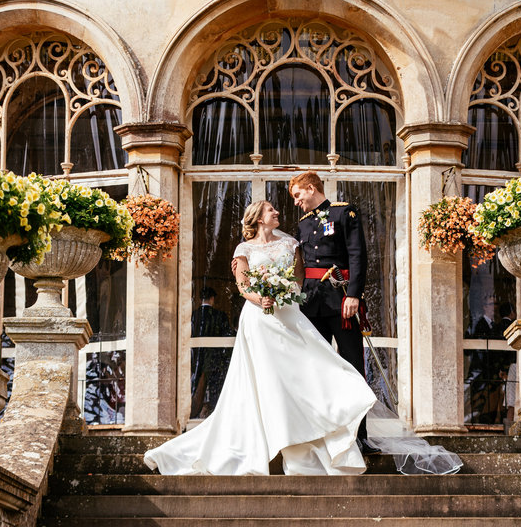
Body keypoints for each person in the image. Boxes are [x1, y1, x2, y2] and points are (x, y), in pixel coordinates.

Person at [144, 200, 377, 475]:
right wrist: (262, 298)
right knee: (267, 378)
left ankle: (323, 422)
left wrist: (285, 294)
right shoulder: (243, 249)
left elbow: (300, 278)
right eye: (271, 210)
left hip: (289, 313)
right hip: (258, 318)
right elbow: (243, 286)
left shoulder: (291, 243)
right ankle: (274, 434)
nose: (277, 212)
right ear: (258, 218)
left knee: (307, 369)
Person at [289, 171, 379, 456]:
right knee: (314, 369)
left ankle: (359, 436)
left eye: (298, 195)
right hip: (312, 304)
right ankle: (321, 435)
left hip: (341, 301)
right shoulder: (303, 225)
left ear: (311, 188)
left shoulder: (344, 213)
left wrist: (353, 294)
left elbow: (357, 255)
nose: (296, 202)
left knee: (353, 366)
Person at [190, 286, 235, 418]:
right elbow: (227, 335)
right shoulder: (220, 315)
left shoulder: (193, 315)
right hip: (215, 358)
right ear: (212, 298)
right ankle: (216, 414)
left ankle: (194, 413)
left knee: (196, 386)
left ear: (199, 299)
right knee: (215, 387)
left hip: (197, 358)